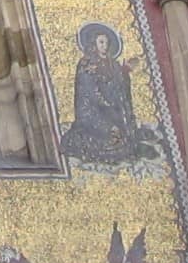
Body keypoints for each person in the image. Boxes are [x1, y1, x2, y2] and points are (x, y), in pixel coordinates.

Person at [66, 22, 154, 162]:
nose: (104, 46)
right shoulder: (86, 63)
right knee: (111, 134)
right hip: (92, 109)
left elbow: (118, 83)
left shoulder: (112, 63)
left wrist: (125, 72)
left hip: (111, 107)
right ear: (93, 43)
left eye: (106, 42)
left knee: (125, 131)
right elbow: (87, 89)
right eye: (101, 42)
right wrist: (104, 102)